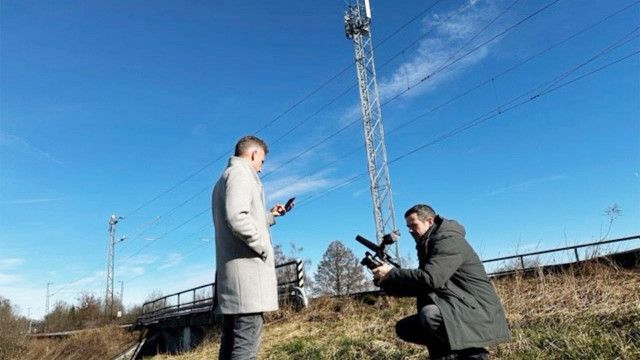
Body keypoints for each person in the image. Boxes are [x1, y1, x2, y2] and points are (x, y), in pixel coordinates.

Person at [372, 204, 510, 360]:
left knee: (430, 315)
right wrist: (386, 281)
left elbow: (431, 279)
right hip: (456, 306)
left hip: (478, 310)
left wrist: (392, 272)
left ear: (429, 221)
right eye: (408, 226)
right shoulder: (427, 244)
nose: (410, 230)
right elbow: (421, 287)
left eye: (413, 225)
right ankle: (447, 354)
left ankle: (474, 353)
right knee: (405, 328)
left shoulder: (448, 240)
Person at [212, 135, 287, 360]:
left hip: (233, 280)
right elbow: (237, 218)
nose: (261, 168)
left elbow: (239, 217)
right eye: (261, 161)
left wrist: (270, 216)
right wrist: (263, 246)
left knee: (230, 344)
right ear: (254, 154)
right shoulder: (241, 173)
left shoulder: (223, 179)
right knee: (246, 347)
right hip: (247, 279)